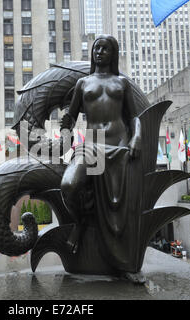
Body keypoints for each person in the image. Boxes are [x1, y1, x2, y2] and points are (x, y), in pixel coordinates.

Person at [60, 35, 141, 253]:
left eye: (105, 48)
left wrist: (137, 137)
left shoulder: (122, 83)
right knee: (69, 184)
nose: (99, 52)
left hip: (119, 145)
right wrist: (65, 127)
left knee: (119, 205)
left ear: (113, 53)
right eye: (96, 48)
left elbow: (134, 116)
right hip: (91, 147)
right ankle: (80, 223)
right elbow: (71, 116)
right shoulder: (83, 83)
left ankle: (123, 253)